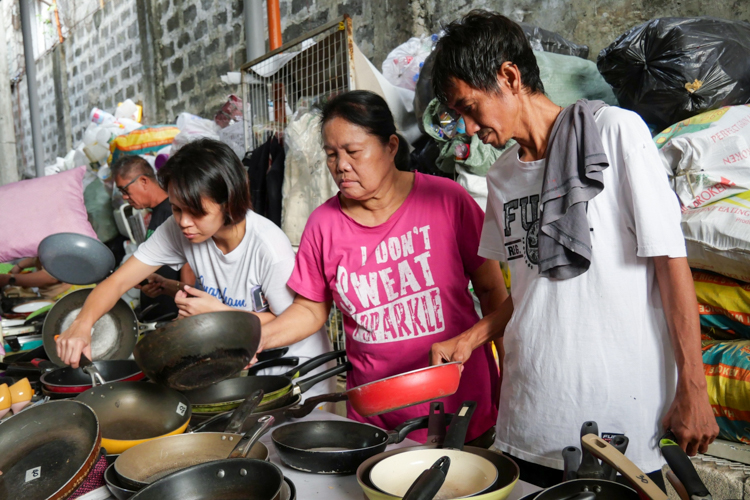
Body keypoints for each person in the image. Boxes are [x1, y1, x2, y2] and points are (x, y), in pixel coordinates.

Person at [427, 10, 718, 488]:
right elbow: (533, 288)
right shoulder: (500, 178)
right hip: (527, 418)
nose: (467, 127)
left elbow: (670, 262)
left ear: (509, 76)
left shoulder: (615, 134)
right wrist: (472, 337)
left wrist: (694, 386)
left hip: (614, 424)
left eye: (469, 106)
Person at [259, 90, 507, 445]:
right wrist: (257, 339)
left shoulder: (447, 200)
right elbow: (311, 310)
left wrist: (511, 371)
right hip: (379, 417)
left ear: (391, 146)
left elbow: (492, 291)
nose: (341, 165)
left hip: (460, 408)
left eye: (353, 152)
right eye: (331, 155)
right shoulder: (322, 225)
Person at [56, 139, 333, 398]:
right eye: (176, 209)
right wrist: (82, 324)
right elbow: (117, 282)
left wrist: (219, 318)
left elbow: (293, 320)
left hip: (295, 368)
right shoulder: (180, 230)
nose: (184, 222)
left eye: (196, 211)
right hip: (246, 360)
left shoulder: (268, 248)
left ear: (228, 201)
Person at [110, 155, 195, 321]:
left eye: (125, 190)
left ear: (143, 181)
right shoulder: (156, 213)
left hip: (176, 315)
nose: (124, 197)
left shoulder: (171, 212)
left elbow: (189, 266)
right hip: (159, 313)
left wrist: (186, 314)